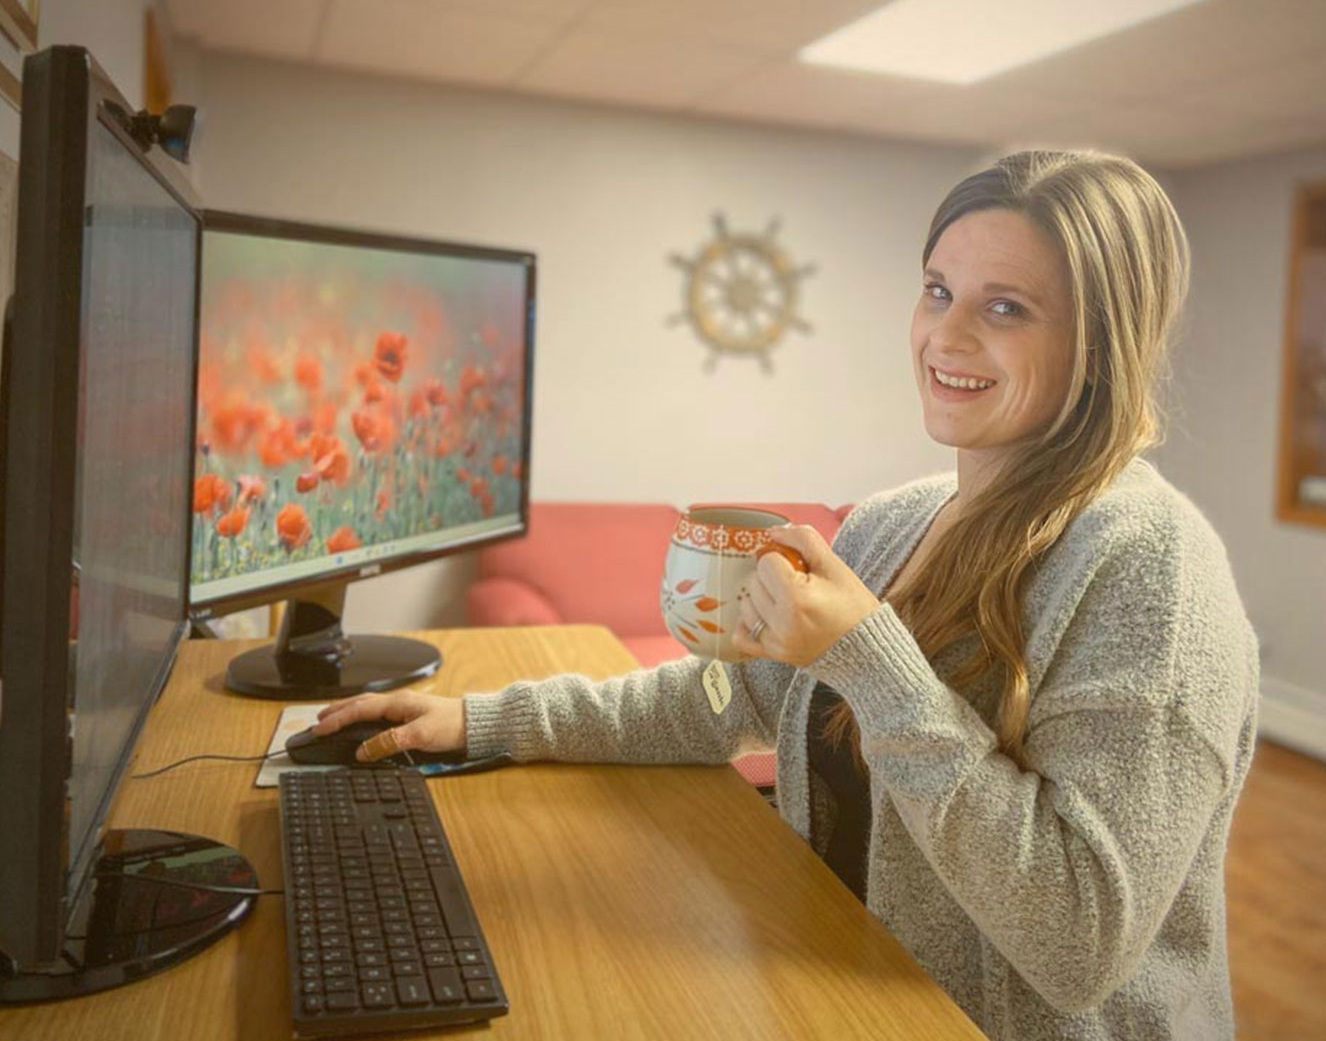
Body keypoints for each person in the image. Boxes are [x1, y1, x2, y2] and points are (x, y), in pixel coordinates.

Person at [312, 150, 1259, 1041]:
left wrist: (869, 661)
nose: (946, 335)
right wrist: (485, 721)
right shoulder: (893, 523)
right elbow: (723, 698)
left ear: (1102, 345)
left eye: (1006, 308)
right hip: (844, 991)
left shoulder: (1152, 568)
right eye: (938, 290)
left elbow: (1080, 942)